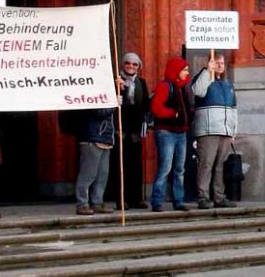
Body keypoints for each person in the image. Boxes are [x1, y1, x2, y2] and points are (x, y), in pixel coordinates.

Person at [192, 53, 237, 209]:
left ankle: (219, 196)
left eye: (222, 63)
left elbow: (233, 110)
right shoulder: (203, 79)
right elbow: (198, 92)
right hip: (208, 130)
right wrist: (207, 71)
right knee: (206, 164)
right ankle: (202, 197)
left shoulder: (228, 85)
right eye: (216, 62)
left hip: (224, 131)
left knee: (220, 166)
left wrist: (233, 132)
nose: (219, 65)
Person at [107, 52, 151, 210]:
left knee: (136, 166)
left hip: (135, 130)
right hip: (121, 129)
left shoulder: (141, 83)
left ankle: (136, 198)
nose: (131, 67)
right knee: (121, 166)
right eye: (128, 63)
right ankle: (121, 199)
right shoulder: (116, 82)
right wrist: (119, 90)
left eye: (134, 64)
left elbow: (145, 104)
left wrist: (146, 120)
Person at [150, 57, 193, 212]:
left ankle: (178, 200)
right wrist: (174, 114)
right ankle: (157, 201)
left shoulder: (183, 87)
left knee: (179, 169)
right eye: (185, 70)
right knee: (165, 168)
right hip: (166, 132)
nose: (187, 72)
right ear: (176, 70)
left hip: (181, 132)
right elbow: (156, 108)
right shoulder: (164, 86)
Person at [75, 107, 116, 215]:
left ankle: (97, 202)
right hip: (92, 137)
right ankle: (82, 203)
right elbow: (98, 111)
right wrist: (114, 104)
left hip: (104, 136)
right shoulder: (93, 94)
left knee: (102, 174)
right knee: (88, 174)